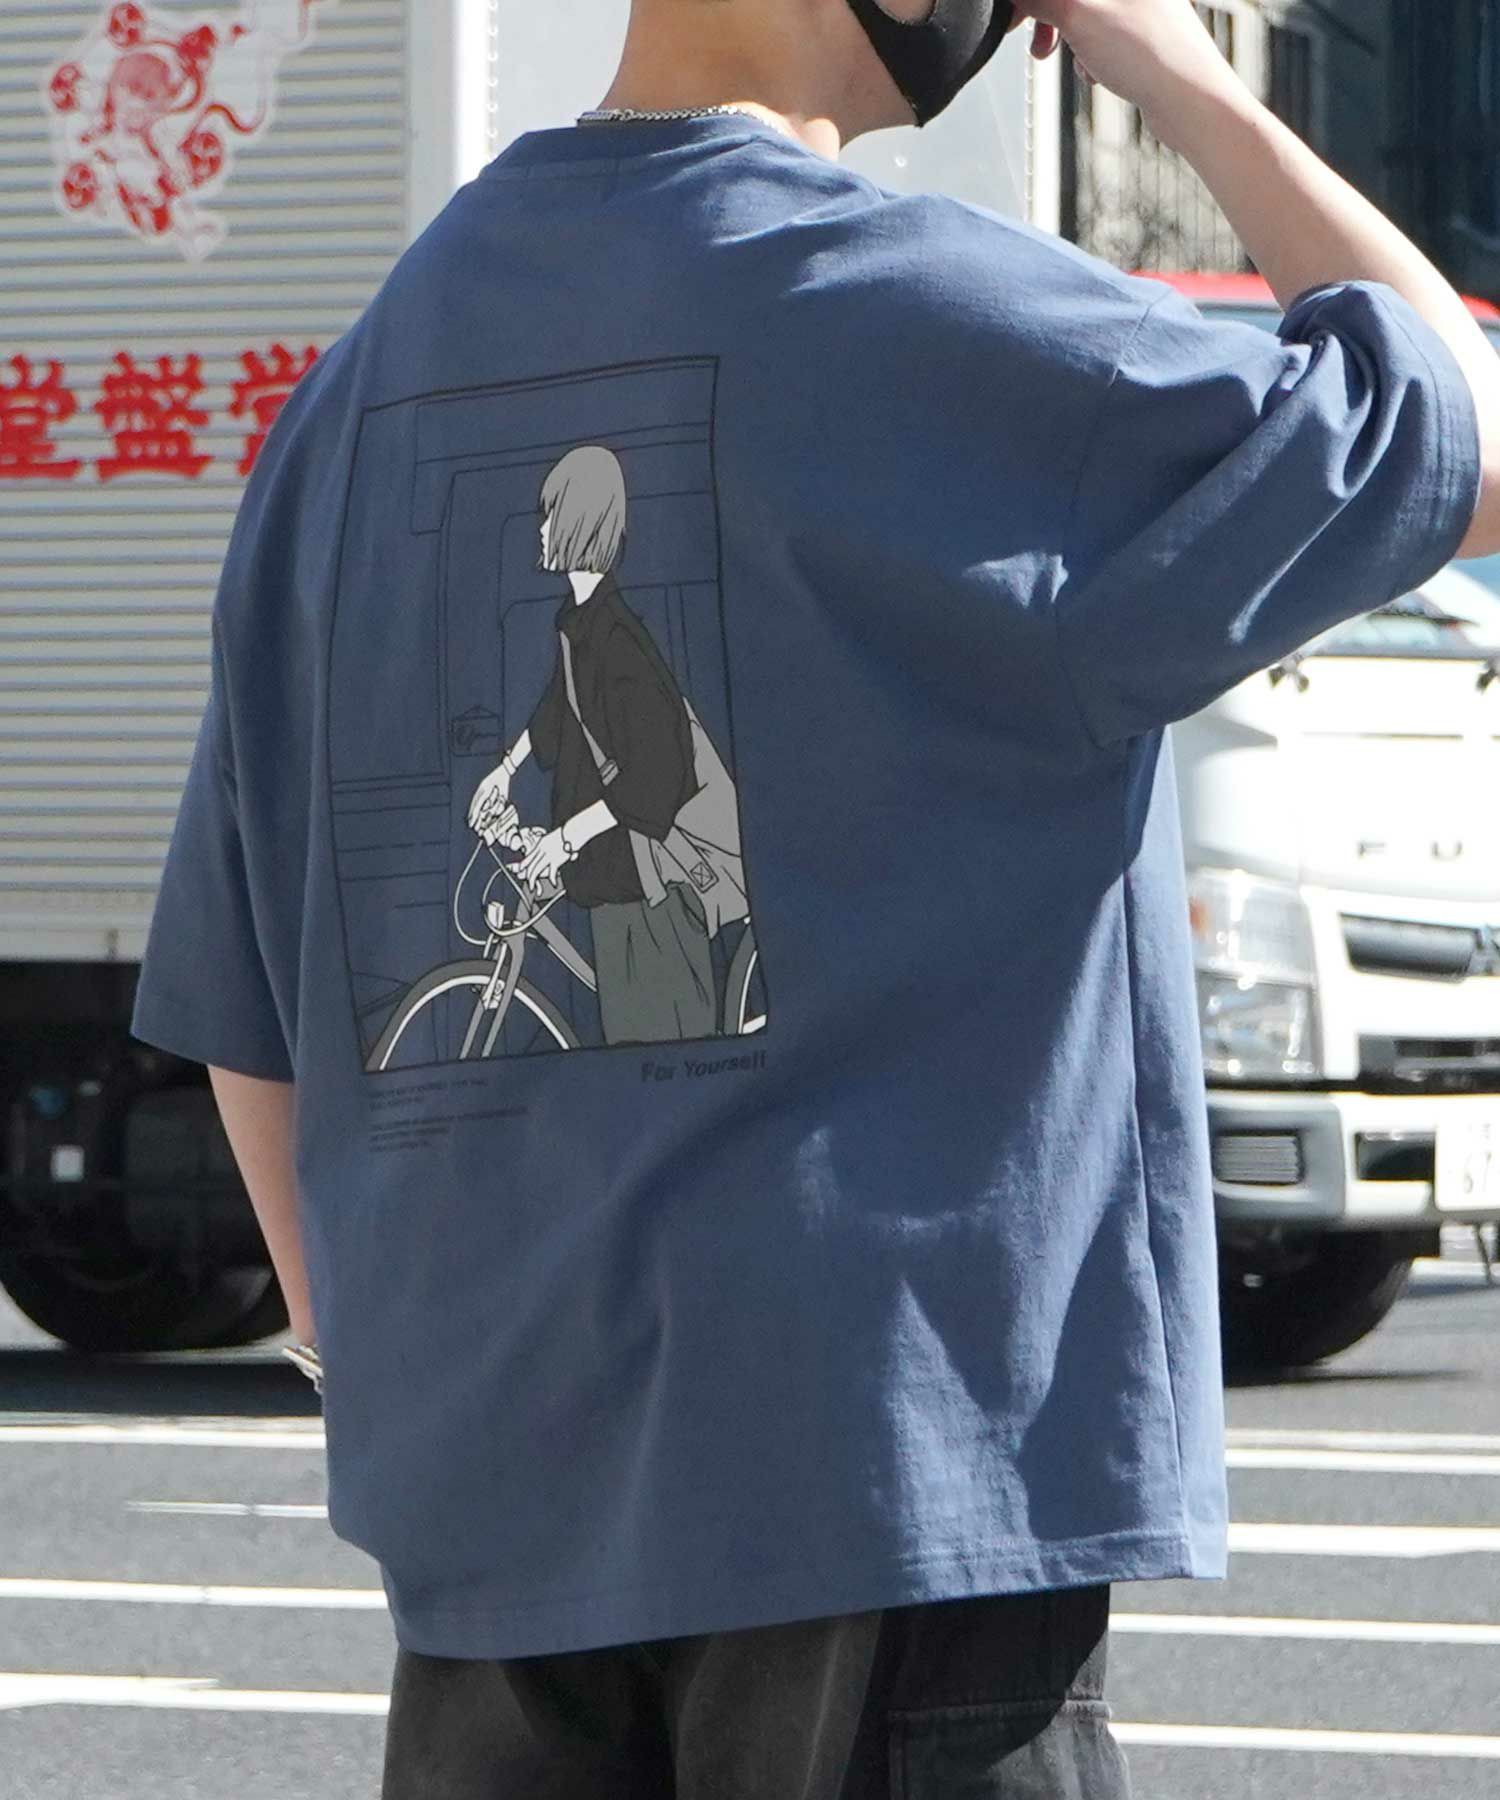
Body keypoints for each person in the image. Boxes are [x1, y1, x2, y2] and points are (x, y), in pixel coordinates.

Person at [128, 1, 1500, 1795]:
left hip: (492, 1533)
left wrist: (395, 1371)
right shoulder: (933, 325)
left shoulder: (354, 395)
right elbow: (1461, 431)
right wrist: (1178, 72)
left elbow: (249, 1009)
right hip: (883, 1487)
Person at [467, 444, 722, 1048]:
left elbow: (655, 778)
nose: (542, 529)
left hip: (650, 896)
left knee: (657, 1054)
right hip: (617, 886)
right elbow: (557, 714)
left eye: (550, 514)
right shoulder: (581, 629)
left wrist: (564, 840)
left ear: (578, 522)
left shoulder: (618, 642)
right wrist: (504, 772)